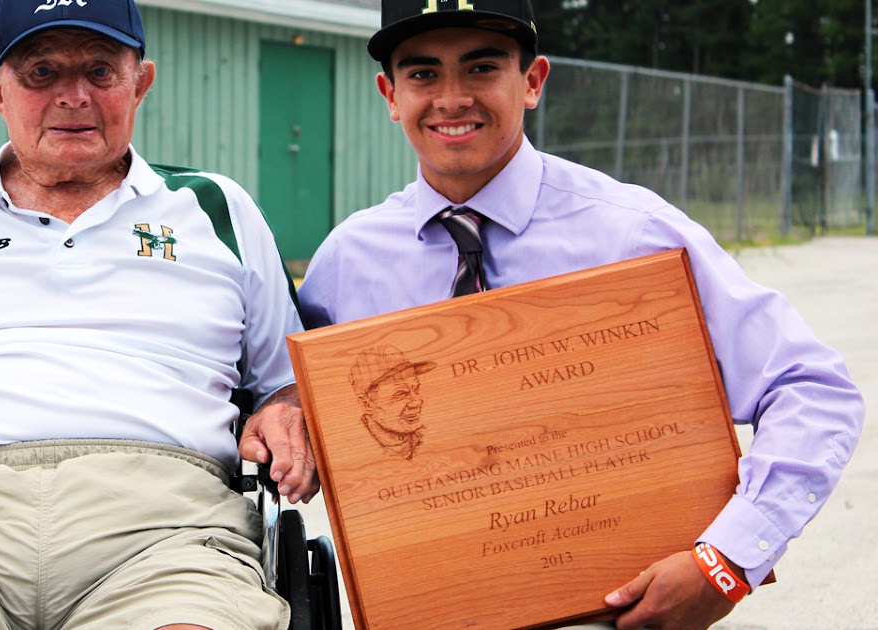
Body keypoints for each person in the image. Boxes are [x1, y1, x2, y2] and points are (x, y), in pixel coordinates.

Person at [296, 0, 865, 628]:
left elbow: (812, 389)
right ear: (390, 93)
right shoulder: (346, 264)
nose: (451, 98)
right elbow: (301, 410)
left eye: (481, 68)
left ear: (534, 80)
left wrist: (725, 562)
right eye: (423, 74)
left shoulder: (634, 236)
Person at [0, 1, 316, 628]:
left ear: (140, 83)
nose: (73, 97)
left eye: (100, 71)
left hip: (166, 532)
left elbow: (289, 379)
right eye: (42, 73)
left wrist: (286, 417)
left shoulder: (215, 208)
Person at [349, 345, 436, 461]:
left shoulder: (427, 436)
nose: (416, 402)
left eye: (416, 389)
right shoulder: (355, 452)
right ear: (367, 404)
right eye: (401, 394)